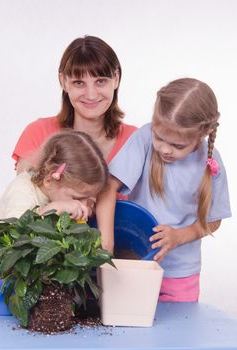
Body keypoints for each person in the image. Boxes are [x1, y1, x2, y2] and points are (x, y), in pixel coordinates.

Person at [96, 78, 232, 302]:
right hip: (134, 265)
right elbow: (109, 186)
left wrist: (178, 237)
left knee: (175, 332)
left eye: (178, 146)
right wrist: (107, 244)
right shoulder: (144, 138)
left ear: (202, 135)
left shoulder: (210, 161)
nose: (165, 149)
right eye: (159, 137)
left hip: (180, 274)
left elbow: (213, 220)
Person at [0, 130, 109, 304]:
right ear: (50, 180)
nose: (83, 206)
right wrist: (53, 208)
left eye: (90, 199)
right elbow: (15, 236)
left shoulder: (55, 194)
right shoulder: (22, 193)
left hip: (19, 290)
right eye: (77, 197)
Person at [13, 35, 137, 173]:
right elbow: (22, 192)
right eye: (79, 83)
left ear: (116, 78)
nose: (91, 95)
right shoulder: (38, 133)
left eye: (100, 81)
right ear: (63, 81)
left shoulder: (137, 141)